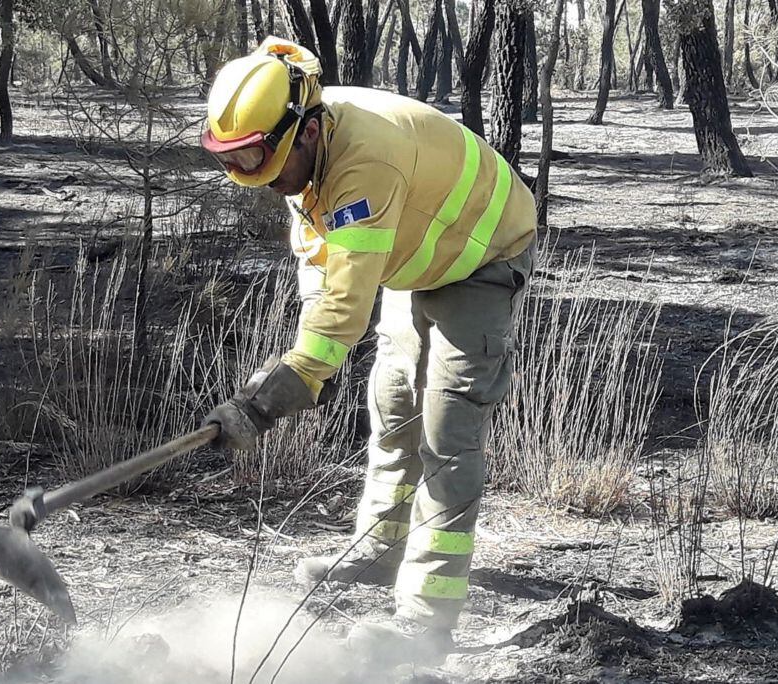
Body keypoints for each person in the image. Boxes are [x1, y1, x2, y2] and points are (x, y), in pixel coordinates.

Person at [201, 37, 537, 662]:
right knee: (394, 410)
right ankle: (378, 554)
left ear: (302, 133)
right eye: (239, 163)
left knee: (446, 432)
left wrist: (280, 392)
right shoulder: (307, 158)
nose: (259, 181)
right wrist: (285, 374)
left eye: (260, 162)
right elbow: (321, 277)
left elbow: (349, 299)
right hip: (417, 262)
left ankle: (425, 618)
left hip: (483, 257)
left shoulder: (365, 162)